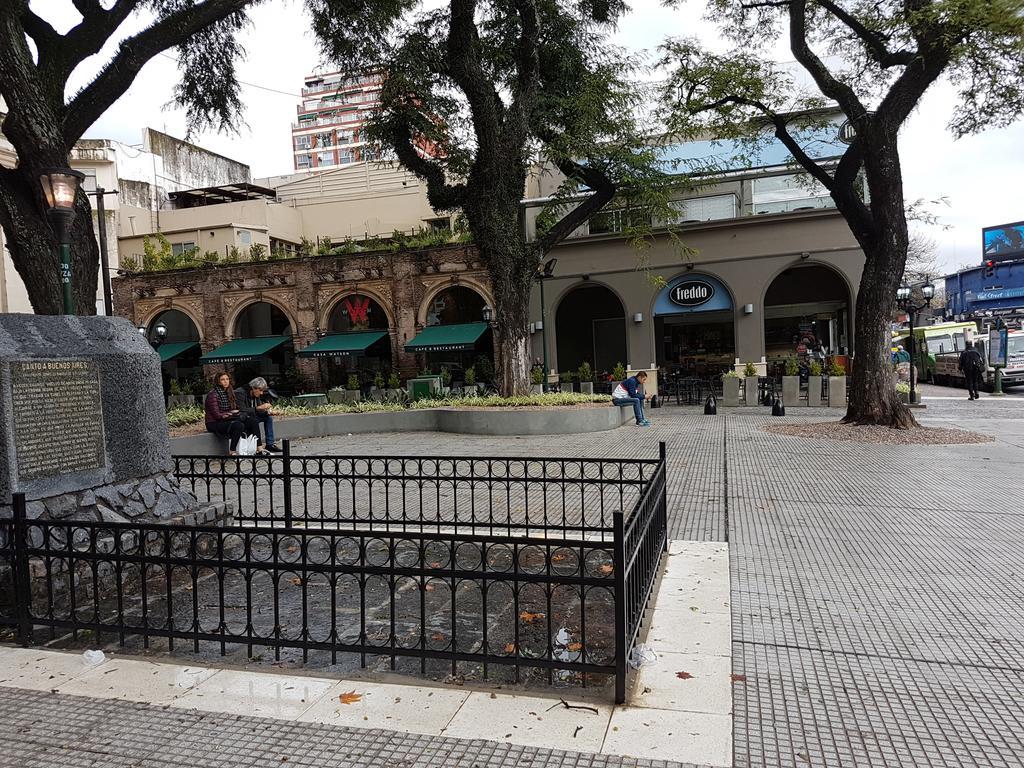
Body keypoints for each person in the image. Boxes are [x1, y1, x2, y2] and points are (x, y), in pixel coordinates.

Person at [204, 372, 259, 454]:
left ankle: (259, 448)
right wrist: (231, 414)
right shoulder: (213, 395)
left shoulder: (229, 392)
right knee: (238, 425)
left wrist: (234, 413)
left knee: (252, 421)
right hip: (214, 423)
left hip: (227, 419)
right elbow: (217, 415)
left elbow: (234, 408)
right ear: (218, 381)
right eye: (222, 379)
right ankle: (232, 451)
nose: (225, 381)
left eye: (227, 379)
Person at [235, 376, 282, 452]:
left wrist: (268, 412)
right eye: (260, 390)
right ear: (253, 388)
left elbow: (258, 411)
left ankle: (270, 444)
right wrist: (258, 408)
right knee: (254, 421)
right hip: (243, 418)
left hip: (252, 416)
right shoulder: (240, 393)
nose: (261, 393)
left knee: (268, 418)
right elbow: (241, 410)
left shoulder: (255, 394)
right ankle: (258, 446)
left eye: (262, 391)